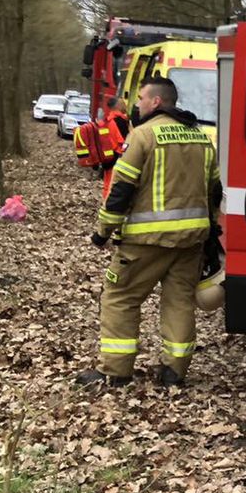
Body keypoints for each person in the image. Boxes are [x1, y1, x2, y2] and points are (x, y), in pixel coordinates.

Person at [76, 77, 221, 388]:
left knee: (120, 298)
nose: (136, 103)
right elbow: (214, 190)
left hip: (145, 241)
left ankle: (115, 371)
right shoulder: (201, 138)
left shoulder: (141, 136)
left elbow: (121, 191)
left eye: (141, 97)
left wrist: (102, 232)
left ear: (155, 102)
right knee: (179, 301)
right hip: (191, 240)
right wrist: (210, 234)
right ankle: (174, 372)